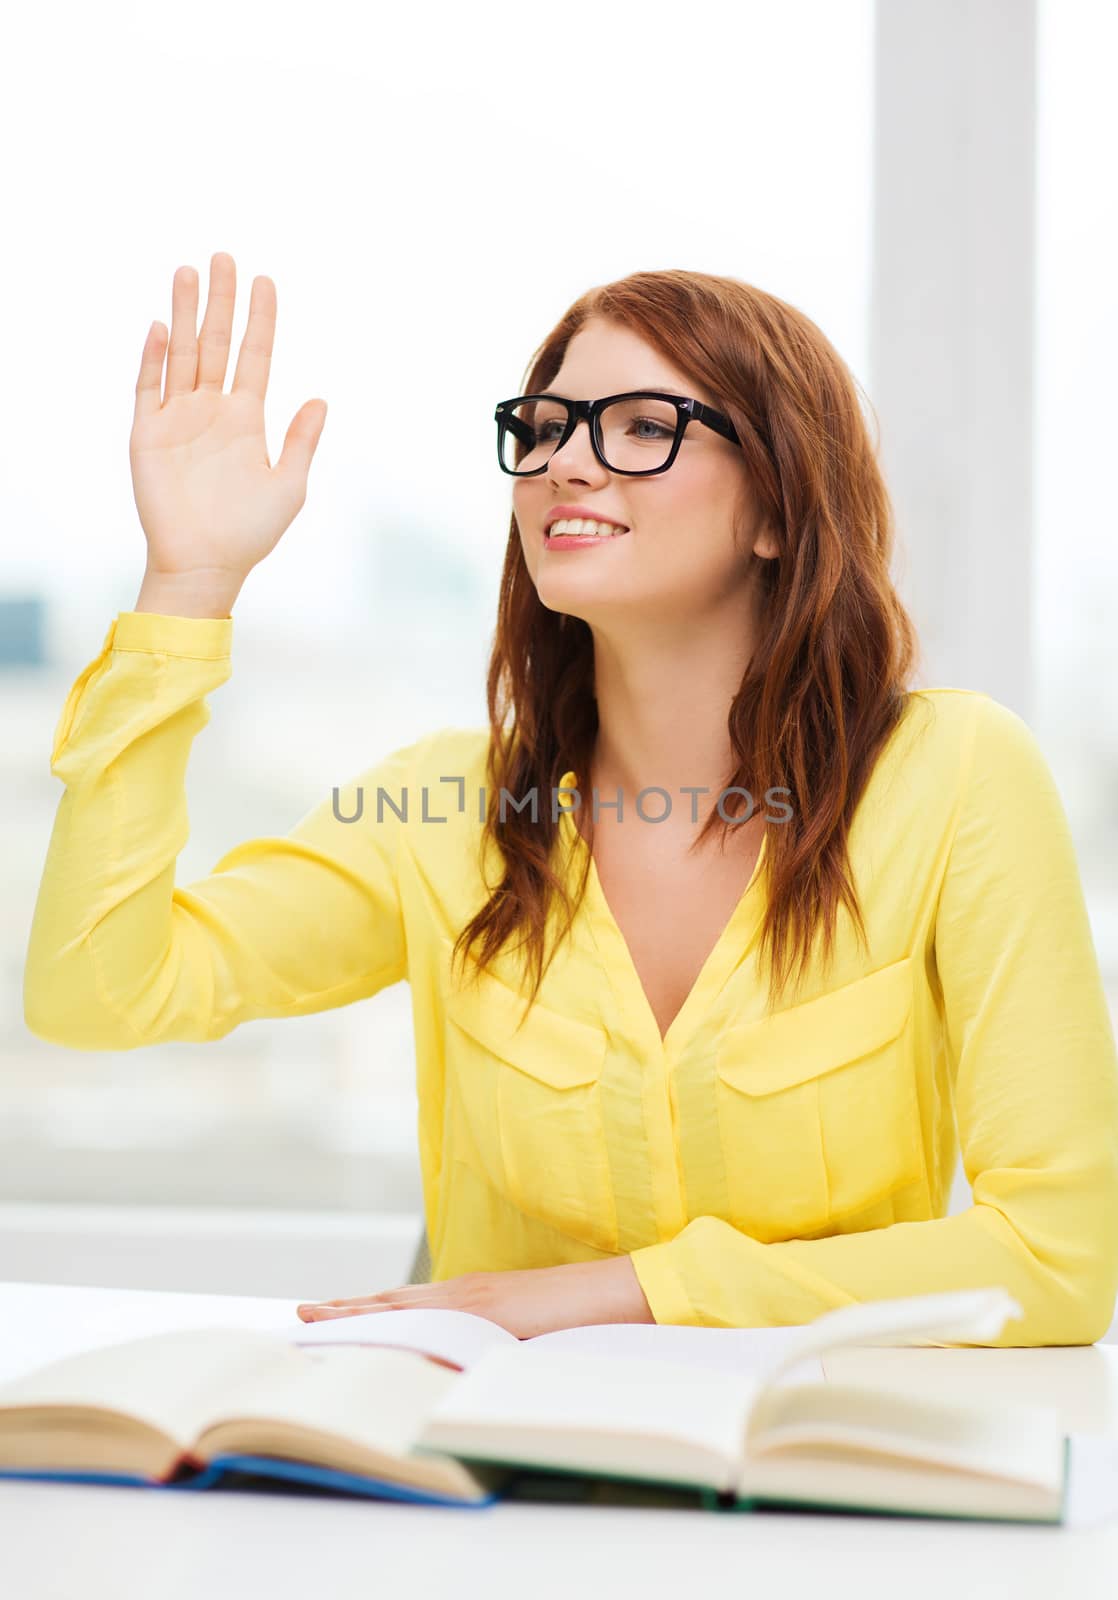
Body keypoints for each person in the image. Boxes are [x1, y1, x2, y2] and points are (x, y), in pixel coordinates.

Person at [23, 253, 1118, 1345]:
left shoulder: (956, 776)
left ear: (776, 510)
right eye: (544, 428)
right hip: (505, 1489)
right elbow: (97, 992)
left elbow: (1053, 1261)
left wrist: (616, 1292)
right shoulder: (441, 810)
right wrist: (187, 589)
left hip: (817, 1485)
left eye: (643, 426)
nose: (563, 464)